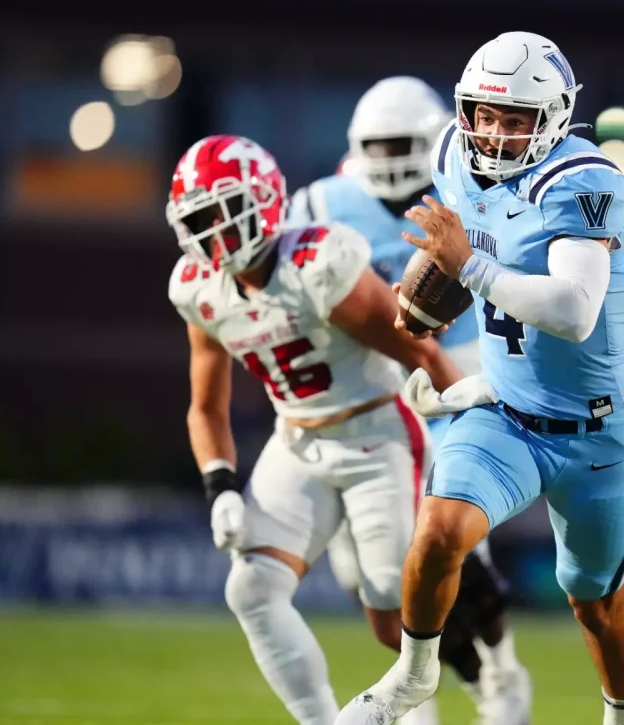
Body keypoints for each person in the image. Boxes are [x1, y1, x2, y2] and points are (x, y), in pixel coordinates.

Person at [335, 31, 624, 725]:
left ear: (557, 117)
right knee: (439, 532)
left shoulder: (583, 181)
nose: (494, 132)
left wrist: (467, 268)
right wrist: (433, 310)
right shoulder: (452, 151)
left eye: (515, 120)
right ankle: (413, 676)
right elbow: (473, 254)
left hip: (596, 429)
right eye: (484, 113)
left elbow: (573, 310)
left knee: (596, 606)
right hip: (505, 409)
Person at [165, 134, 463, 725]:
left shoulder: (318, 264)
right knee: (250, 589)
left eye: (223, 215)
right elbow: (206, 407)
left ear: (264, 202)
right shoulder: (197, 288)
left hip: (377, 433)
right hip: (297, 439)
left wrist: (469, 443)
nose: (211, 235)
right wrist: (220, 487)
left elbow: (421, 352)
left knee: (391, 616)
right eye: (198, 219)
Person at [289, 75, 531, 724]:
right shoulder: (319, 203)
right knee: (381, 583)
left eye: (404, 142)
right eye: (380, 144)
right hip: (365, 391)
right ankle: (444, 683)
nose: (392, 157)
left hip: (459, 374)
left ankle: (500, 675)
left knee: (451, 540)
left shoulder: (479, 193)